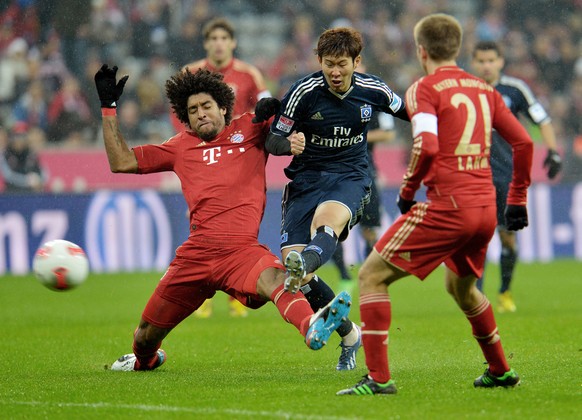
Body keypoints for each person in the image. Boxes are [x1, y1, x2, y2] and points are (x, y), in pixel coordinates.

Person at [93, 64, 353, 371]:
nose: (200, 113)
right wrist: (108, 108)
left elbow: (293, 122)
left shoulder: (251, 127)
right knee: (145, 336)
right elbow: (121, 161)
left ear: (223, 107)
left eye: (206, 106)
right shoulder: (179, 146)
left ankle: (311, 326)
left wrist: (281, 110)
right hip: (195, 256)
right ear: (185, 116)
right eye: (192, 110)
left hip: (240, 252)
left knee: (278, 278)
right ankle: (145, 360)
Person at [337, 13, 533, 395]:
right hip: (485, 210)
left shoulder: (423, 88)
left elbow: (426, 145)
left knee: (371, 276)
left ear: (421, 50)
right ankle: (500, 369)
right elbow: (524, 142)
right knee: (463, 289)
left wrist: (408, 191)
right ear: (458, 50)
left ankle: (378, 378)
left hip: (449, 207)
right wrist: (518, 199)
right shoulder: (485, 90)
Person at [262, 27, 410, 371]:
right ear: (319, 61)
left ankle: (308, 262)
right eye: (329, 64)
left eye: (343, 64)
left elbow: (411, 112)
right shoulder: (303, 92)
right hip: (305, 180)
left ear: (356, 62)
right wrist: (288, 145)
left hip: (350, 175)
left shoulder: (374, 89)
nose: (336, 72)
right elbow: (273, 140)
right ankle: (349, 333)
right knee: (293, 265)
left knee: (325, 222)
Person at [172, 17, 272, 318]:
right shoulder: (190, 74)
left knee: (240, 219)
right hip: (201, 156)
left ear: (232, 43)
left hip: (239, 157)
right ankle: (202, 292)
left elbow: (266, 109)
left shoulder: (248, 74)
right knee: (200, 214)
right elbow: (179, 119)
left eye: (223, 38)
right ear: (206, 43)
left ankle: (233, 294)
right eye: (213, 38)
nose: (218, 43)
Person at [471, 40, 562, 313]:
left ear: (500, 61)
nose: (486, 65)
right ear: (474, 63)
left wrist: (554, 151)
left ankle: (505, 290)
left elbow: (542, 119)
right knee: (478, 236)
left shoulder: (515, 89)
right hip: (474, 173)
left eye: (491, 60)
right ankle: (477, 297)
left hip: (507, 175)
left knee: (507, 237)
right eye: (481, 61)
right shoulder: (466, 88)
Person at [331, 112, 397, 293]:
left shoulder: (374, 101)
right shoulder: (331, 102)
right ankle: (344, 276)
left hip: (366, 172)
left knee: (369, 230)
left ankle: (368, 276)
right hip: (336, 173)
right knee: (330, 226)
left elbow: (388, 133)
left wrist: (354, 137)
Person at [0, 122, 47, 193]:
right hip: (12, 192)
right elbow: (8, 175)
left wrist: (38, 180)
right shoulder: (6, 154)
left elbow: (42, 171)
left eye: (22, 136)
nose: (19, 140)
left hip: (30, 192)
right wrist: (27, 181)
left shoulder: (31, 153)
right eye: (17, 136)